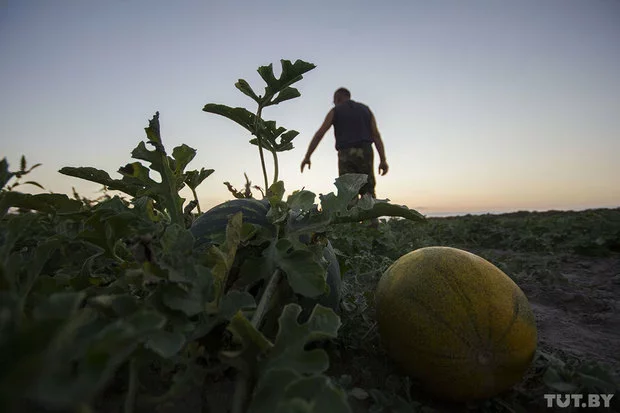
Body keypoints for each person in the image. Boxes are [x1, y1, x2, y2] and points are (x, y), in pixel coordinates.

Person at [300, 87, 388, 201]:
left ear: (338, 98)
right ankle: (372, 218)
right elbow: (376, 135)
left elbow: (320, 134)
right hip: (366, 153)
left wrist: (307, 156)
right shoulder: (366, 110)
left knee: (348, 194)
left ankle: (351, 218)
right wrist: (383, 160)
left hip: (346, 155)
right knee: (369, 194)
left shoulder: (335, 111)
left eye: (334, 101)